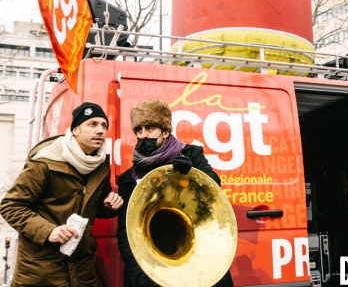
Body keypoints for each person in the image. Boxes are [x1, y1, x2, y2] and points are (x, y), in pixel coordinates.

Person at [0, 102, 123, 286]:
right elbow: (11, 206)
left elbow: (94, 208)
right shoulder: (45, 163)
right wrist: (49, 231)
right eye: (92, 124)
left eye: (103, 126)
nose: (100, 130)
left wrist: (108, 207)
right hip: (41, 271)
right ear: (75, 130)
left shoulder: (101, 167)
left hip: (81, 270)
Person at [117, 99, 234, 287]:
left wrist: (193, 173)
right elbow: (125, 231)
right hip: (152, 268)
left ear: (165, 131)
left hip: (196, 260)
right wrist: (138, 271)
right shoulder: (128, 178)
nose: (143, 135)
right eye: (139, 130)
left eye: (150, 129)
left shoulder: (191, 154)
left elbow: (214, 186)